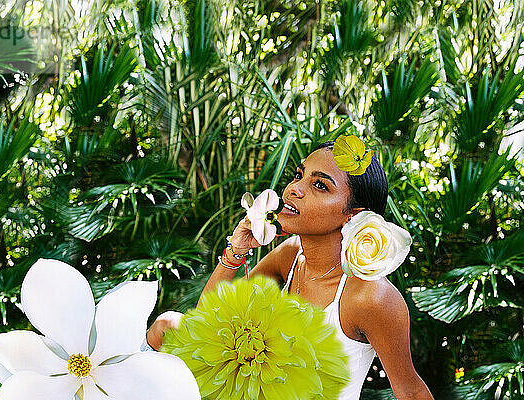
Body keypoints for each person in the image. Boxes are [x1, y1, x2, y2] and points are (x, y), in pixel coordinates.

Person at [144, 142, 434, 400]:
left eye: (320, 185)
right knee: (167, 327)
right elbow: (206, 326)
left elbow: (410, 391)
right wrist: (236, 250)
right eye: (299, 175)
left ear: (353, 215)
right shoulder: (291, 256)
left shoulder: (370, 297)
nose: (295, 189)